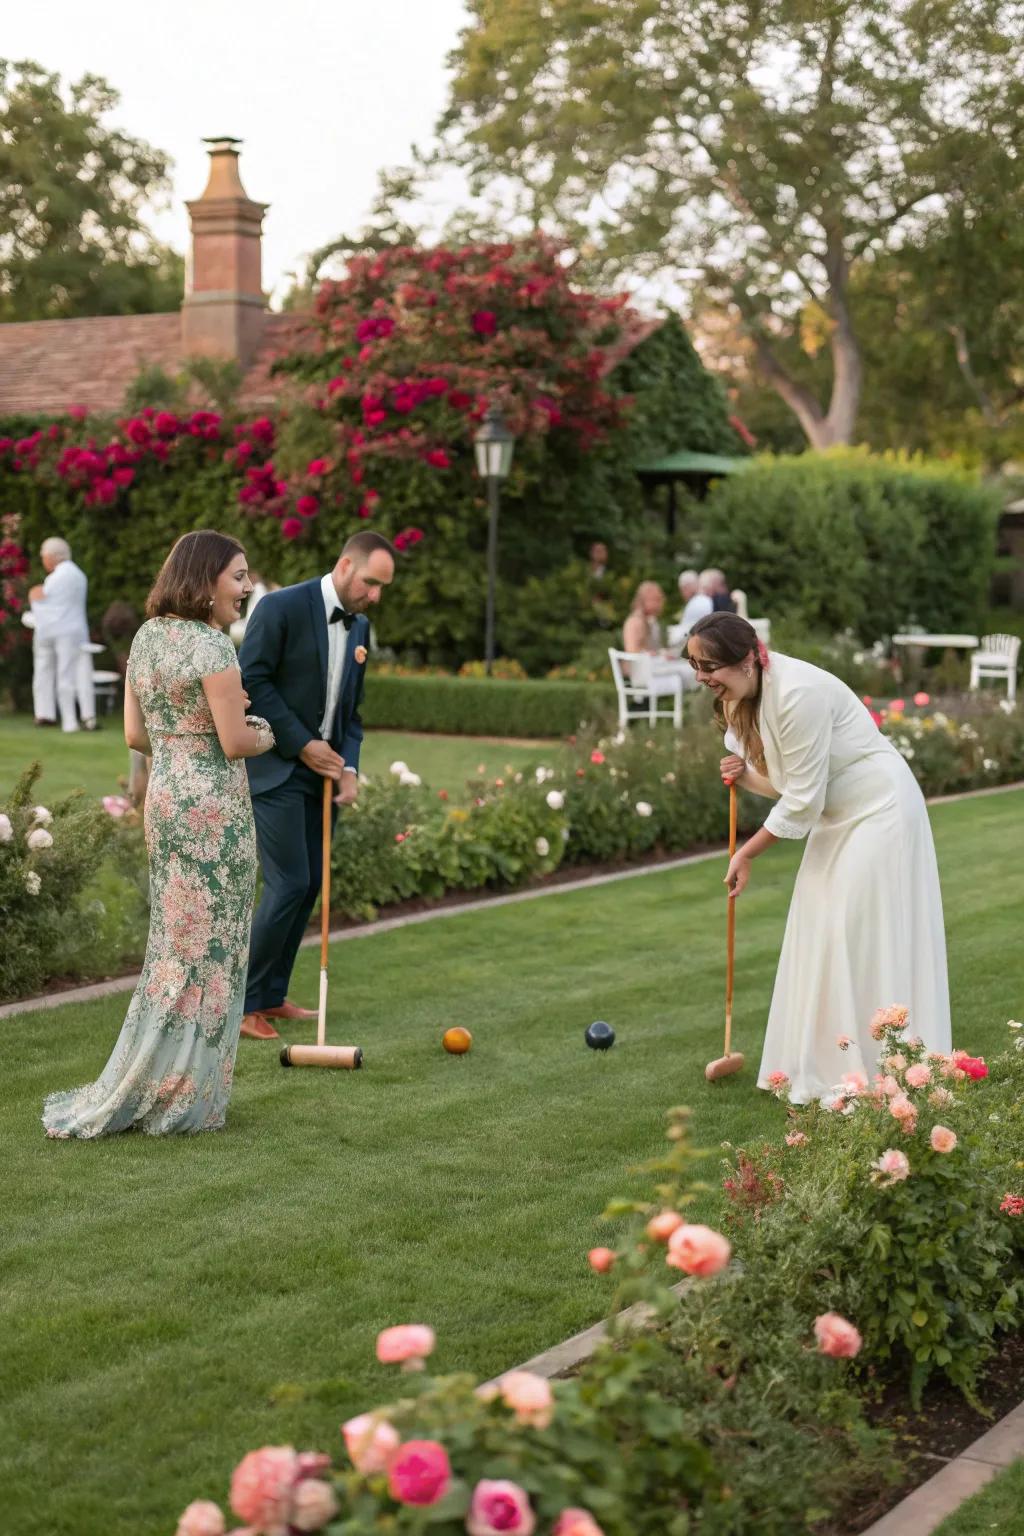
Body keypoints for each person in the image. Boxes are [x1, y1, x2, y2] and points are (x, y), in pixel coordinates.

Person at [43, 531, 275, 1138]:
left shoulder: (147, 638)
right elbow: (234, 742)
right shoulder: (212, 647)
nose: (246, 587)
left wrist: (189, 732)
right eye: (238, 576)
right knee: (216, 945)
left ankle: (155, 1079)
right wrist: (263, 728)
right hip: (215, 807)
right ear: (205, 580)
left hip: (168, 799)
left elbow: (135, 737)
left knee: (175, 943)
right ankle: (190, 1096)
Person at [687, 612, 951, 1104]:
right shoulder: (747, 698)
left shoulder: (797, 693)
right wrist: (744, 775)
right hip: (837, 815)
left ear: (747, 658)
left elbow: (803, 803)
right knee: (819, 929)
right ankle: (828, 1064)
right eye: (695, 666)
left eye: (710, 666)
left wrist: (746, 853)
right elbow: (790, 786)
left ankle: (882, 1066)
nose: (702, 678)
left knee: (854, 931)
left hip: (880, 809)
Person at [238, 531, 395, 1040]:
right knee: (287, 883)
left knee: (307, 887)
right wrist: (303, 743)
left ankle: (270, 996)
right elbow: (253, 681)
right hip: (278, 768)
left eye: (382, 587)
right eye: (371, 583)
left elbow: (352, 713)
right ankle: (242, 1007)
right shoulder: (280, 607)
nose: (375, 596)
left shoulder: (362, 627)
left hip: (323, 774)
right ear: (345, 564)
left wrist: (348, 766)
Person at [29, 537, 95, 732]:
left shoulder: (55, 577)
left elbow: (42, 600)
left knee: (48, 672)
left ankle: (49, 715)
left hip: (50, 630)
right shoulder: (79, 575)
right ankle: (71, 719)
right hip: (74, 630)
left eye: (44, 557)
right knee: (68, 674)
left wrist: (34, 596)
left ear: (51, 557)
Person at [669, 569, 713, 643]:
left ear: (687, 587)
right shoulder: (706, 599)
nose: (682, 594)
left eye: (682, 590)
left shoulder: (696, 603)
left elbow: (684, 633)